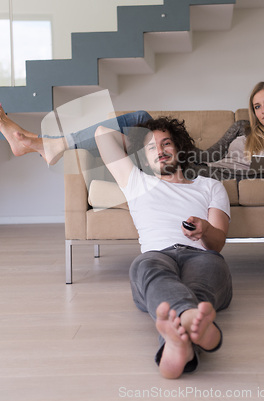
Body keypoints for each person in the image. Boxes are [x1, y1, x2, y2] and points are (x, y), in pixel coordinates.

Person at [94, 116, 232, 378]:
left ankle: (178, 345)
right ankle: (195, 326)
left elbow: (218, 244)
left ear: (179, 148)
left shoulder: (210, 186)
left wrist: (205, 229)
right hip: (157, 257)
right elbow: (103, 133)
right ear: (142, 158)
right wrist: (138, 143)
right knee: (146, 266)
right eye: (150, 148)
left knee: (211, 266)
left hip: (201, 256)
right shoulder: (135, 181)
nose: (159, 151)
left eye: (166, 144)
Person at [0, 80, 264, 178]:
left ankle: (44, 144)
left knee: (120, 140)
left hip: (204, 177)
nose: (263, 111)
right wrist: (174, 147)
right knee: (140, 117)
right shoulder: (242, 127)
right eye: (258, 106)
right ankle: (48, 144)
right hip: (195, 164)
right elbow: (211, 154)